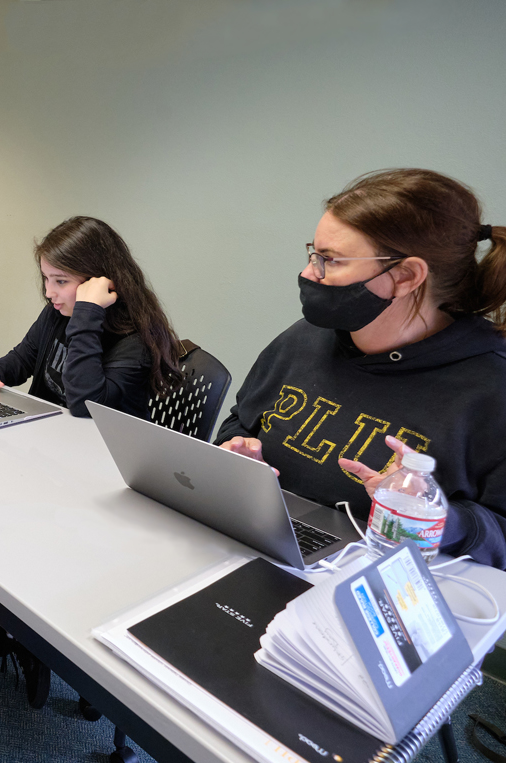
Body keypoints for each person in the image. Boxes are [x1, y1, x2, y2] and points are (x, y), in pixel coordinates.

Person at [216, 168, 506, 569]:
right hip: (256, 546)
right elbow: (241, 422)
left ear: (405, 276)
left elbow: (501, 539)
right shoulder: (306, 338)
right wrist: (238, 451)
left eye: (330, 261)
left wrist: (437, 516)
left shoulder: (493, 388)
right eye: (313, 255)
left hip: (385, 584)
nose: (308, 274)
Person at [0, 216, 183, 418]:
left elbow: (86, 406)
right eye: (46, 278)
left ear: (98, 281)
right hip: (52, 433)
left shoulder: (135, 342)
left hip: (100, 444)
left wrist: (86, 314)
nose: (49, 292)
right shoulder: (58, 311)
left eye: (60, 281)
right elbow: (24, 358)